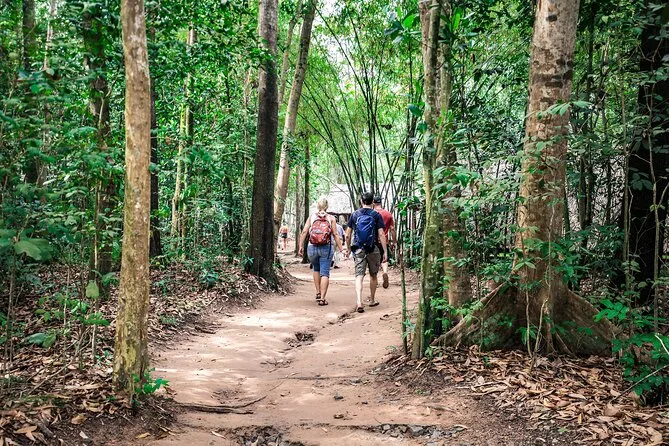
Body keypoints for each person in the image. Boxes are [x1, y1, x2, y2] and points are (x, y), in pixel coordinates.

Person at [345, 192, 387, 313]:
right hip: (373, 248)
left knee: (359, 276)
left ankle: (359, 301)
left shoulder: (354, 215)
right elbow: (381, 234)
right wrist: (385, 251)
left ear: (361, 201)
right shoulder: (376, 215)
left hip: (358, 248)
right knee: (373, 275)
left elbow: (347, 235)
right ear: (372, 202)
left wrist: (348, 248)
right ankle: (372, 300)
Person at [298, 197, 344, 306]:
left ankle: (318, 292)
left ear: (317, 206)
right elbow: (335, 234)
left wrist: (301, 246)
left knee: (316, 269)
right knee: (325, 273)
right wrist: (341, 248)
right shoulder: (331, 218)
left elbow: (304, 231)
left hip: (312, 247)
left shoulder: (312, 217)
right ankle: (322, 299)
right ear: (327, 206)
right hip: (326, 247)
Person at [373, 195, 396, 288]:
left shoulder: (371, 214)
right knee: (384, 258)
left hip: (373, 241)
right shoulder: (388, 214)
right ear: (380, 202)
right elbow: (392, 229)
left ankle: (375, 281)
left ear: (373, 203)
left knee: (374, 261)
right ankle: (385, 272)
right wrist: (394, 241)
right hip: (384, 240)